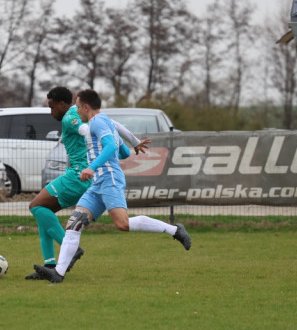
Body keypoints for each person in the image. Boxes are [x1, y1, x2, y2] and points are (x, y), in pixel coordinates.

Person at [32, 89, 190, 283]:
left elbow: (111, 147)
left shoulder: (96, 122)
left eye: (79, 107)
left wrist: (91, 167)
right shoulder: (100, 121)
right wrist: (134, 142)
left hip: (109, 179)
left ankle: (174, 230)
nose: (76, 110)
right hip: (97, 183)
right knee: (74, 224)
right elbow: (118, 137)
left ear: (86, 107)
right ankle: (58, 273)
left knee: (123, 224)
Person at [26, 86, 150, 279]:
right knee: (43, 211)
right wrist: (132, 142)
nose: (51, 113)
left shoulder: (70, 117)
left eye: (52, 108)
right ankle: (50, 264)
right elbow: (113, 125)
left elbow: (86, 129)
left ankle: (69, 250)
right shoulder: (89, 114)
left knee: (35, 206)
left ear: (61, 104)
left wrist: (100, 138)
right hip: (87, 177)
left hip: (78, 175)